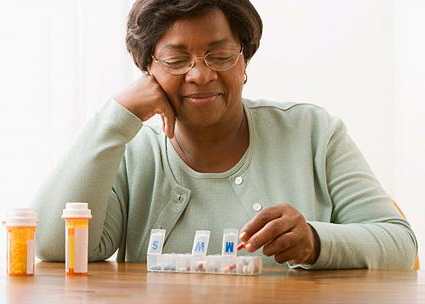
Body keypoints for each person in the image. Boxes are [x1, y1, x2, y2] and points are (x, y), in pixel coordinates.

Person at [32, 0, 417, 269]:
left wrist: (316, 243)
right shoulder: (132, 150)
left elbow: (399, 244)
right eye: (176, 60)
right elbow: (54, 247)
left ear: (244, 59)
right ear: (147, 69)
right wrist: (117, 116)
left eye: (219, 56)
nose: (200, 75)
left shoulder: (314, 132)